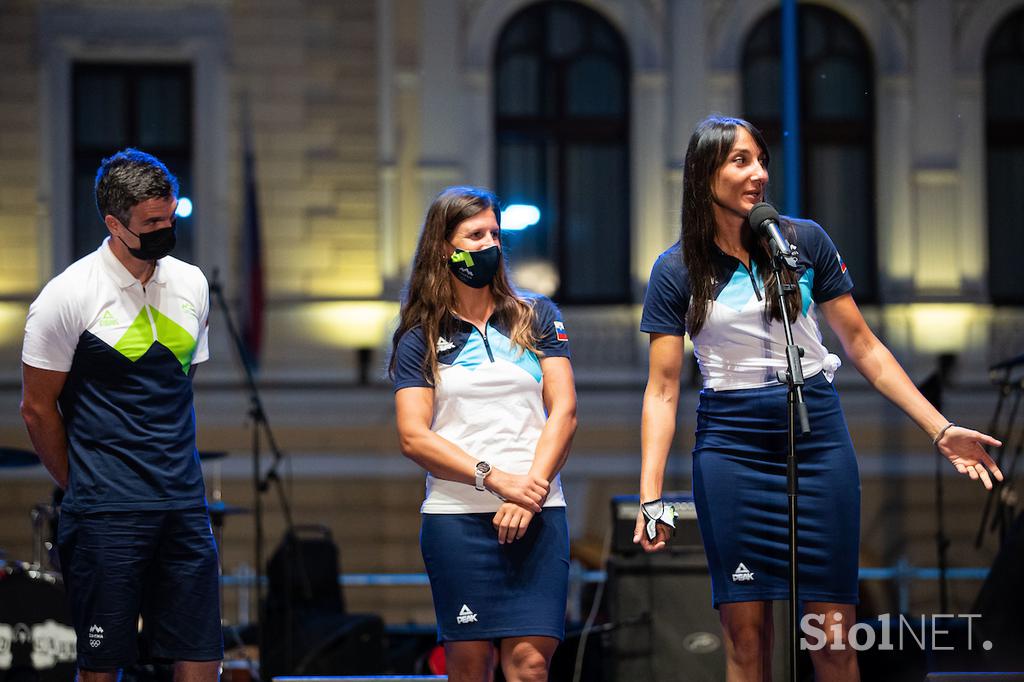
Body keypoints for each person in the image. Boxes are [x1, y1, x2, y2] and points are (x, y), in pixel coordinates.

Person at [634, 115, 1003, 682]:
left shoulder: (803, 242)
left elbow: (864, 347)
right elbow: (662, 390)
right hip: (730, 445)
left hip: (816, 436)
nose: (758, 172)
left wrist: (941, 428)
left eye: (760, 159)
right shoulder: (676, 267)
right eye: (740, 161)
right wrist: (651, 495)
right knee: (746, 639)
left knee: (830, 637)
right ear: (704, 174)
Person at [20, 149, 222, 682]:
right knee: (103, 664)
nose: (165, 229)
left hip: (182, 500)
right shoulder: (67, 295)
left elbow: (179, 384)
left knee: (204, 653)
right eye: (150, 222)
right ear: (114, 223)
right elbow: (37, 409)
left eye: (170, 216)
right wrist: (81, 481)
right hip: (106, 511)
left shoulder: (193, 284)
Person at [391, 186, 577, 682]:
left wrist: (528, 491)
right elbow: (414, 437)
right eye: (475, 235)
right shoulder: (420, 335)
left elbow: (565, 411)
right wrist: (496, 481)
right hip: (458, 519)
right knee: (470, 668)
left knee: (531, 666)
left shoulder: (536, 315)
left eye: (495, 233)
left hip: (538, 510)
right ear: (444, 248)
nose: (490, 243)